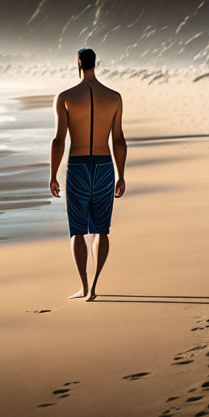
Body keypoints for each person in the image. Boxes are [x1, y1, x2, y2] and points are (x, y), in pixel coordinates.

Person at [50, 47, 127, 301]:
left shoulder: (65, 97)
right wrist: (121, 174)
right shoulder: (114, 97)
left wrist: (53, 175)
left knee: (78, 230)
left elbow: (58, 141)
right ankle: (95, 286)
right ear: (96, 64)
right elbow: (119, 139)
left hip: (78, 166)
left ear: (79, 64)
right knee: (101, 230)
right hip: (105, 166)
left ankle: (83, 287)